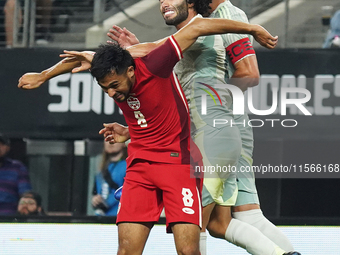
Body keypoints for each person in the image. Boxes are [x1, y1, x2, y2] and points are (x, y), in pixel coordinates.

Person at [18, 16, 277, 255]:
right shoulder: (111, 70)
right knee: (126, 251)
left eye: (114, 86)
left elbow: (199, 27)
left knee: (189, 251)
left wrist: (252, 29)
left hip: (178, 166)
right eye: (104, 88)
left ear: (130, 71)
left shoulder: (156, 63)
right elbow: (79, 59)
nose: (111, 94)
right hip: (139, 169)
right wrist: (44, 76)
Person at [107, 1, 298, 255]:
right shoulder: (198, 26)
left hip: (214, 129)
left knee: (194, 224)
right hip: (218, 127)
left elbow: (249, 73)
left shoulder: (224, 16)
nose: (165, 3)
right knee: (229, 221)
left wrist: (216, 112)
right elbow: (171, 79)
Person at [92, 141, 127, 216]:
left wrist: (106, 203)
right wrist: (95, 200)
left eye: (115, 138)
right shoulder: (101, 170)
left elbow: (128, 192)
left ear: (124, 143)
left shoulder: (128, 166)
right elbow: (95, 193)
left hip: (119, 218)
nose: (110, 142)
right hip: (101, 219)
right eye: (107, 138)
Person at [0, 133, 32, 215]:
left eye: (2, 144)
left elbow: (26, 195)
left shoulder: (17, 167)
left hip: (9, 220)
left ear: (7, 148)